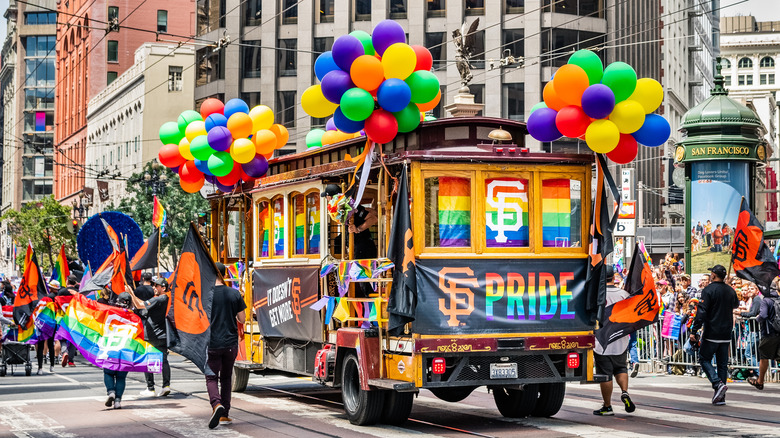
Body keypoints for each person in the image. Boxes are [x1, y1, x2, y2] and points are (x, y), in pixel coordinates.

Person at [690, 265, 739, 406]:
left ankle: (717, 384)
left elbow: (702, 312)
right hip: (726, 332)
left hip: (712, 331)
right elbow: (735, 304)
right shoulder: (730, 290)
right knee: (722, 364)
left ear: (713, 275)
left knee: (704, 359)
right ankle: (721, 397)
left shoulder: (708, 290)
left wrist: (694, 331)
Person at [206, 262, 247, 429]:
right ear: (224, 274)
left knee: (211, 377)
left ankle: (216, 404)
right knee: (226, 378)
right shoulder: (234, 294)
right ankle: (225, 415)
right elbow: (242, 319)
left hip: (211, 343)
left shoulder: (206, 295)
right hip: (230, 343)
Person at [592, 266, 636, 416]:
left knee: (605, 373)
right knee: (621, 368)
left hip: (601, 339)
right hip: (620, 337)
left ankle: (607, 405)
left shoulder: (597, 294)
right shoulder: (624, 294)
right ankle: (624, 392)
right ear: (613, 277)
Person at [322, 184, 378, 297]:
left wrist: (358, 229)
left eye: (327, 197)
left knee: (364, 281)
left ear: (330, 197)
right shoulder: (344, 210)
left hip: (364, 247)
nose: (327, 200)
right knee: (361, 280)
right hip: (358, 248)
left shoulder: (353, 209)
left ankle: (372, 309)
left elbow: (373, 218)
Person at [127, 277, 171, 398]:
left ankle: (150, 387)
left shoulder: (159, 299)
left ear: (163, 288)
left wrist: (131, 292)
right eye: (154, 285)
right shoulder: (165, 299)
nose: (154, 288)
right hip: (162, 334)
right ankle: (166, 386)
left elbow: (140, 305)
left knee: (148, 360)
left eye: (156, 286)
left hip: (152, 335)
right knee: (164, 360)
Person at [103, 291, 132, 409]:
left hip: (111, 348)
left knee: (108, 372)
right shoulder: (134, 317)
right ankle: (118, 401)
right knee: (121, 377)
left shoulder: (110, 313)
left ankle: (111, 392)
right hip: (126, 350)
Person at [748, 287, 780, 390]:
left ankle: (760, 381)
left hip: (769, 332)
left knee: (764, 357)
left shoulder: (766, 300)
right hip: (779, 332)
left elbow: (763, 315)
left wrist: (757, 318)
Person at [58, 275, 79, 367]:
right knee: (73, 339)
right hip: (74, 318)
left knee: (62, 337)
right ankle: (71, 360)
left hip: (63, 317)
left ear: (67, 281)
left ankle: (64, 352)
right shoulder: (77, 293)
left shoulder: (61, 291)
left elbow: (57, 303)